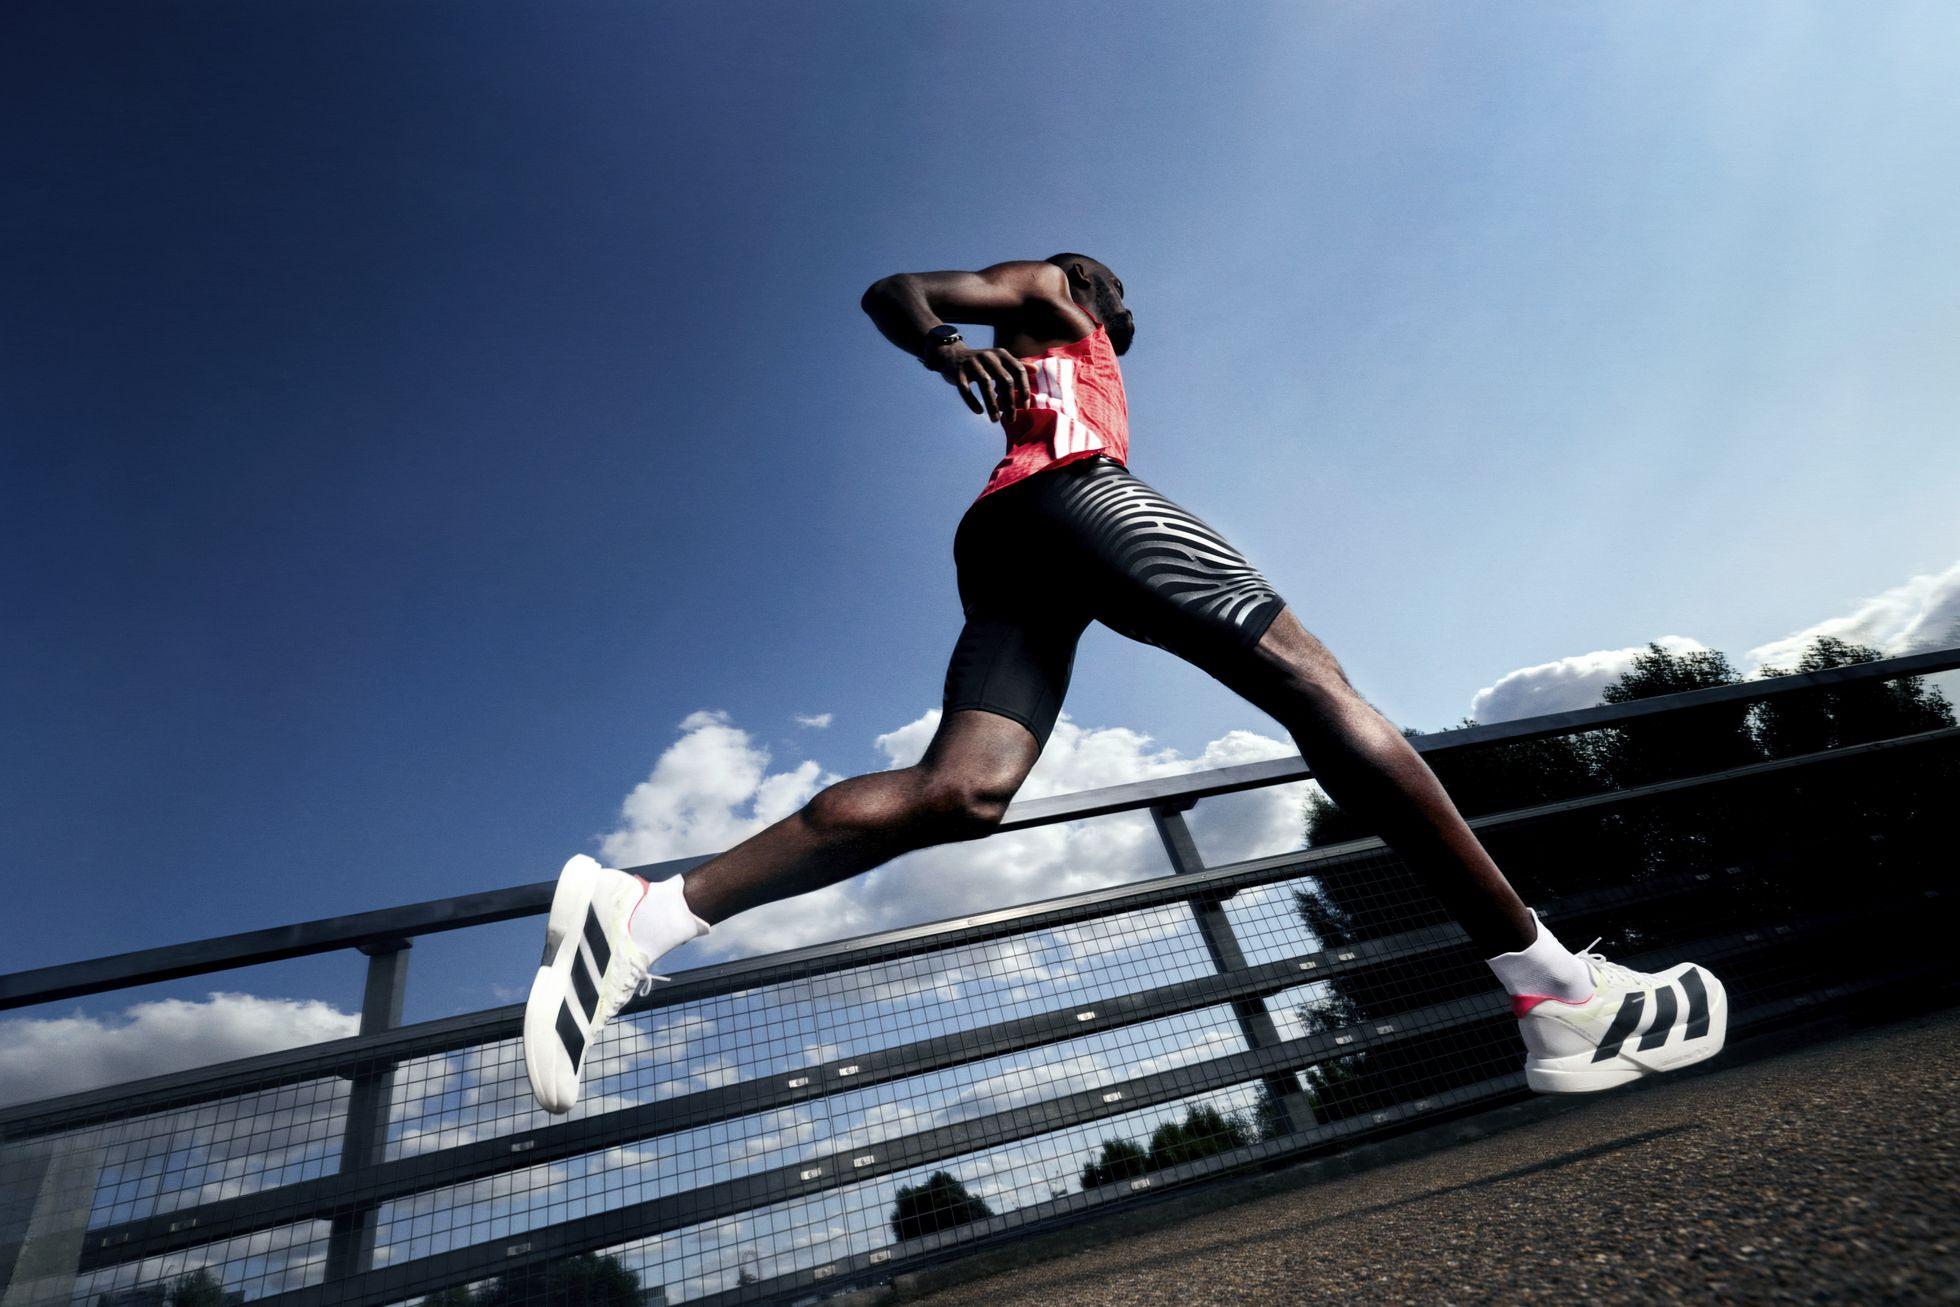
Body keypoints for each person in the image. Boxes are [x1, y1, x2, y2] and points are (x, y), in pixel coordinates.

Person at [523, 255, 1727, 1113]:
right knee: (1317, 684)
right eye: (1112, 294)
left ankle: (651, 912)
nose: (1114, 304)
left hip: (1008, 537)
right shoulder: (1052, 287)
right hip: (1076, 498)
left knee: (962, 788)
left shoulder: (1080, 353)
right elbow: (895, 289)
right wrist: (946, 345)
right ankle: (1556, 990)